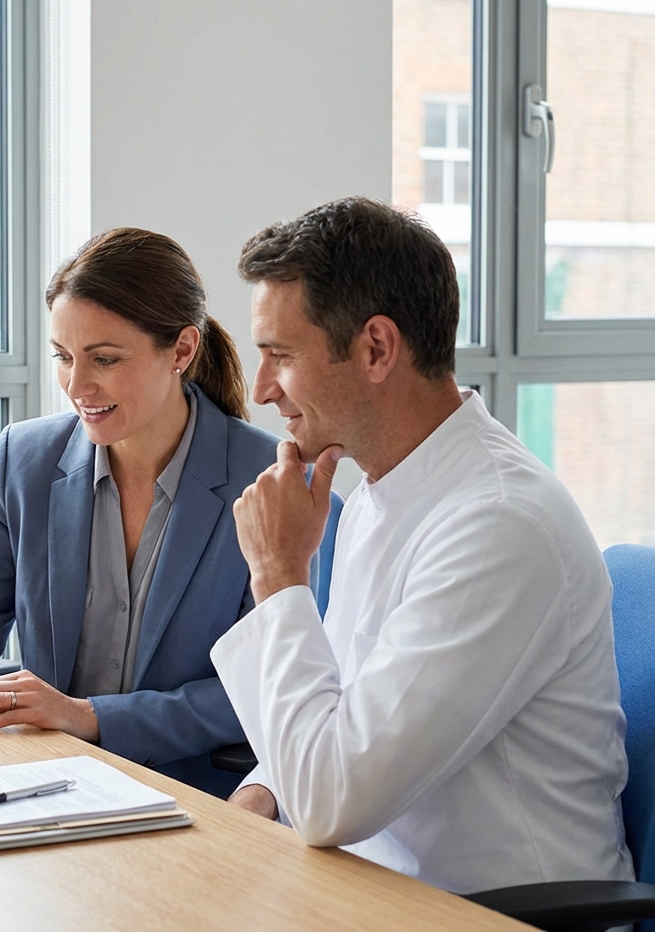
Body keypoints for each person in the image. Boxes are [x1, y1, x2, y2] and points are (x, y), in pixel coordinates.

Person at [0, 227, 322, 797]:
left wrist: (88, 716)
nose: (77, 385)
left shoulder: (279, 485)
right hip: (45, 781)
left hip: (194, 796)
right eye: (64, 357)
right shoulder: (24, 458)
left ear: (182, 350)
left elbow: (266, 688)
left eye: (105, 359)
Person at [211, 197, 634, 892]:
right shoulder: (382, 488)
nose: (260, 391)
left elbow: (332, 797)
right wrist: (264, 791)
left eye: (279, 356)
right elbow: (342, 705)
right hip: (371, 890)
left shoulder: (499, 526)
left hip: (493, 912)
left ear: (376, 348)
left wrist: (278, 573)